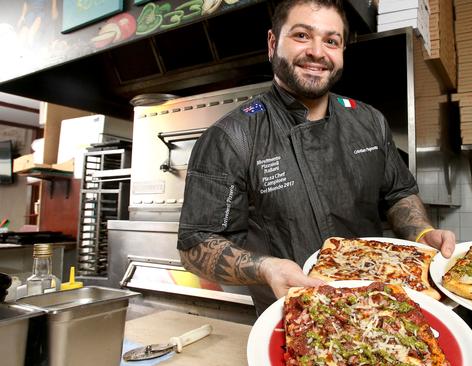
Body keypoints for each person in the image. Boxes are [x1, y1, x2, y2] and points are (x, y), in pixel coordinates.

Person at [177, 0, 456, 315]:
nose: (317, 52)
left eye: (331, 41)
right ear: (272, 44)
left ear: (341, 53)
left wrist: (421, 233)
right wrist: (265, 268)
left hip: (379, 305)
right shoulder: (232, 136)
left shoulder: (369, 120)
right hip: (291, 315)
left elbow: (398, 192)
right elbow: (194, 244)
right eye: (301, 36)